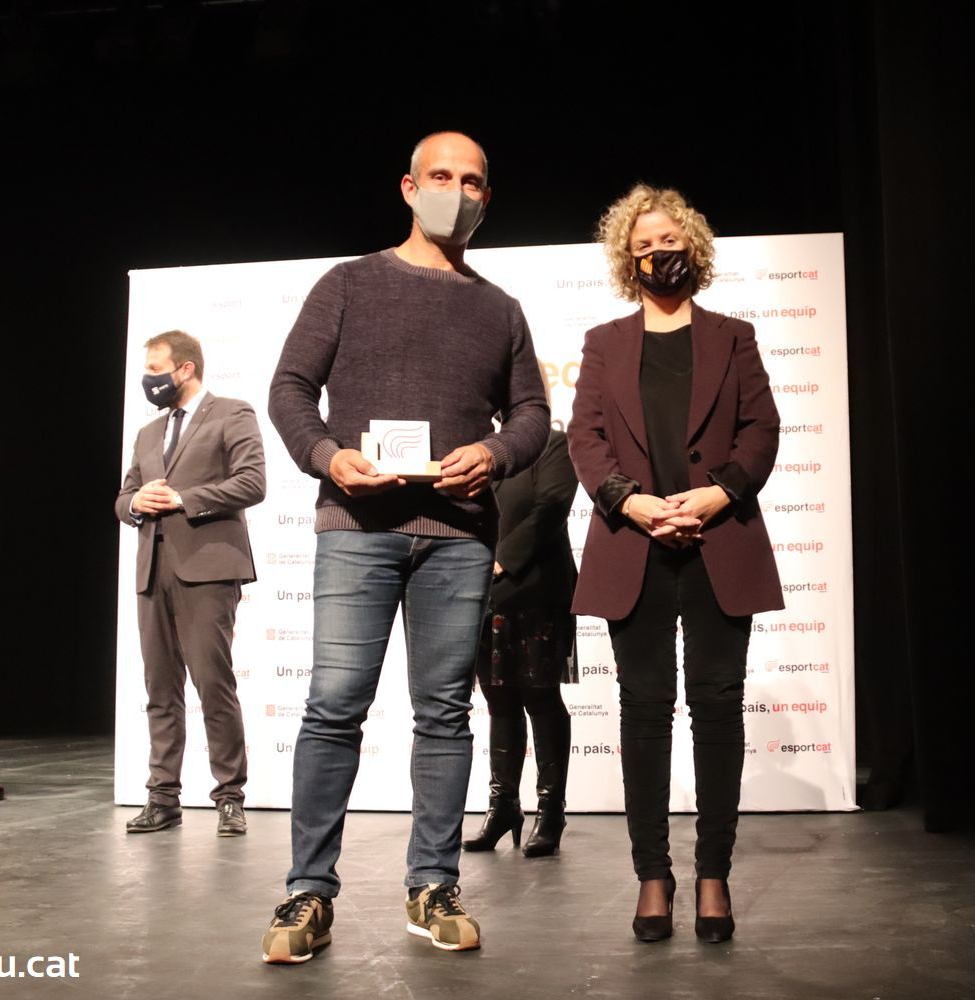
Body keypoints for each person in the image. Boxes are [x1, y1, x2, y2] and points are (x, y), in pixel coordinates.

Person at [263, 131, 549, 962]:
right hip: (357, 528)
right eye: (441, 177)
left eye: (472, 182)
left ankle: (433, 885)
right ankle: (307, 894)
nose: (456, 192)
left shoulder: (501, 309)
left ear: (486, 198)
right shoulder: (349, 283)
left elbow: (533, 415)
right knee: (334, 706)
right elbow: (289, 390)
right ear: (408, 187)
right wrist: (327, 457)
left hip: (458, 539)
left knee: (445, 713)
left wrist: (494, 453)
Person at [567, 184, 784, 943]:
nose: (659, 252)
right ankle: (652, 876)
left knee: (718, 705)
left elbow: (761, 429)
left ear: (692, 245)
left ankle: (713, 874)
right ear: (627, 258)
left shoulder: (734, 336)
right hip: (635, 544)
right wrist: (630, 502)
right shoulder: (604, 342)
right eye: (644, 244)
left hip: (721, 540)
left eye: (670, 240)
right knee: (644, 708)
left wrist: (719, 494)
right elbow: (585, 438)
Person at [114, 330, 266, 837]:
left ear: (185, 369)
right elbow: (124, 497)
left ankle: (230, 797)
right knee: (160, 689)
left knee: (212, 684)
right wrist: (136, 504)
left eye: (155, 369)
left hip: (208, 569)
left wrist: (183, 499)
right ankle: (163, 798)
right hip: (152, 570)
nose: (149, 379)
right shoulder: (148, 432)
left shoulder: (232, 413)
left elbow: (252, 482)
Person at [462, 427, 579, 858]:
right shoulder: (479, 448)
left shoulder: (552, 443)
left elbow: (553, 507)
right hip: (482, 594)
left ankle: (551, 812)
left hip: (537, 591)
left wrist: (502, 558)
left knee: (541, 696)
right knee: (499, 700)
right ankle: (503, 808)